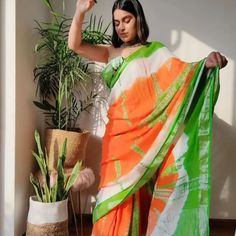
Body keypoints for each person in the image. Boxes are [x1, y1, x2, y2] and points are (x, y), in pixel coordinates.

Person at [68, 0, 228, 235]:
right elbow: (75, 45)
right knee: (111, 193)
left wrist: (206, 64)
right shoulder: (111, 52)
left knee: (137, 192)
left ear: (138, 19)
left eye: (126, 20)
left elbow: (182, 78)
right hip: (117, 136)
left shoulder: (156, 52)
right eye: (116, 22)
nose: (121, 27)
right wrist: (79, 11)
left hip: (143, 139)